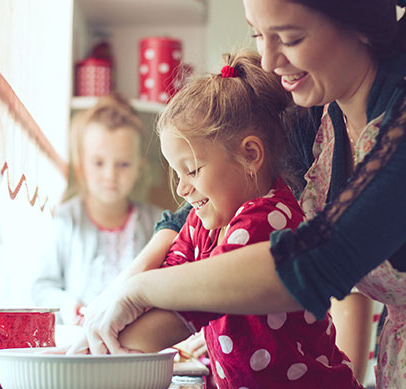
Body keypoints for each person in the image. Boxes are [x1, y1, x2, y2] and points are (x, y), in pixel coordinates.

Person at [79, 0, 406, 387]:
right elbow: (195, 209)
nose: (270, 60)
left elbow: (313, 264)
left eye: (289, 38)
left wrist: (140, 290)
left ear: (358, 22)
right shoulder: (318, 116)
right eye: (257, 34)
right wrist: (116, 302)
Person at [108, 50, 362, 388]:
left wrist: (103, 338)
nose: (183, 189)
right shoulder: (204, 221)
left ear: (250, 155)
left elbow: (183, 310)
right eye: (177, 173)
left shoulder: (268, 220)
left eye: (193, 170)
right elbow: (170, 274)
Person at [31, 94, 161, 325]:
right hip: (79, 339)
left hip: (137, 341)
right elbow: (42, 287)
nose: (110, 175)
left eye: (123, 164)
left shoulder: (157, 223)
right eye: (98, 163)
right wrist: (69, 306)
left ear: (138, 168)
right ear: (81, 166)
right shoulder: (65, 220)